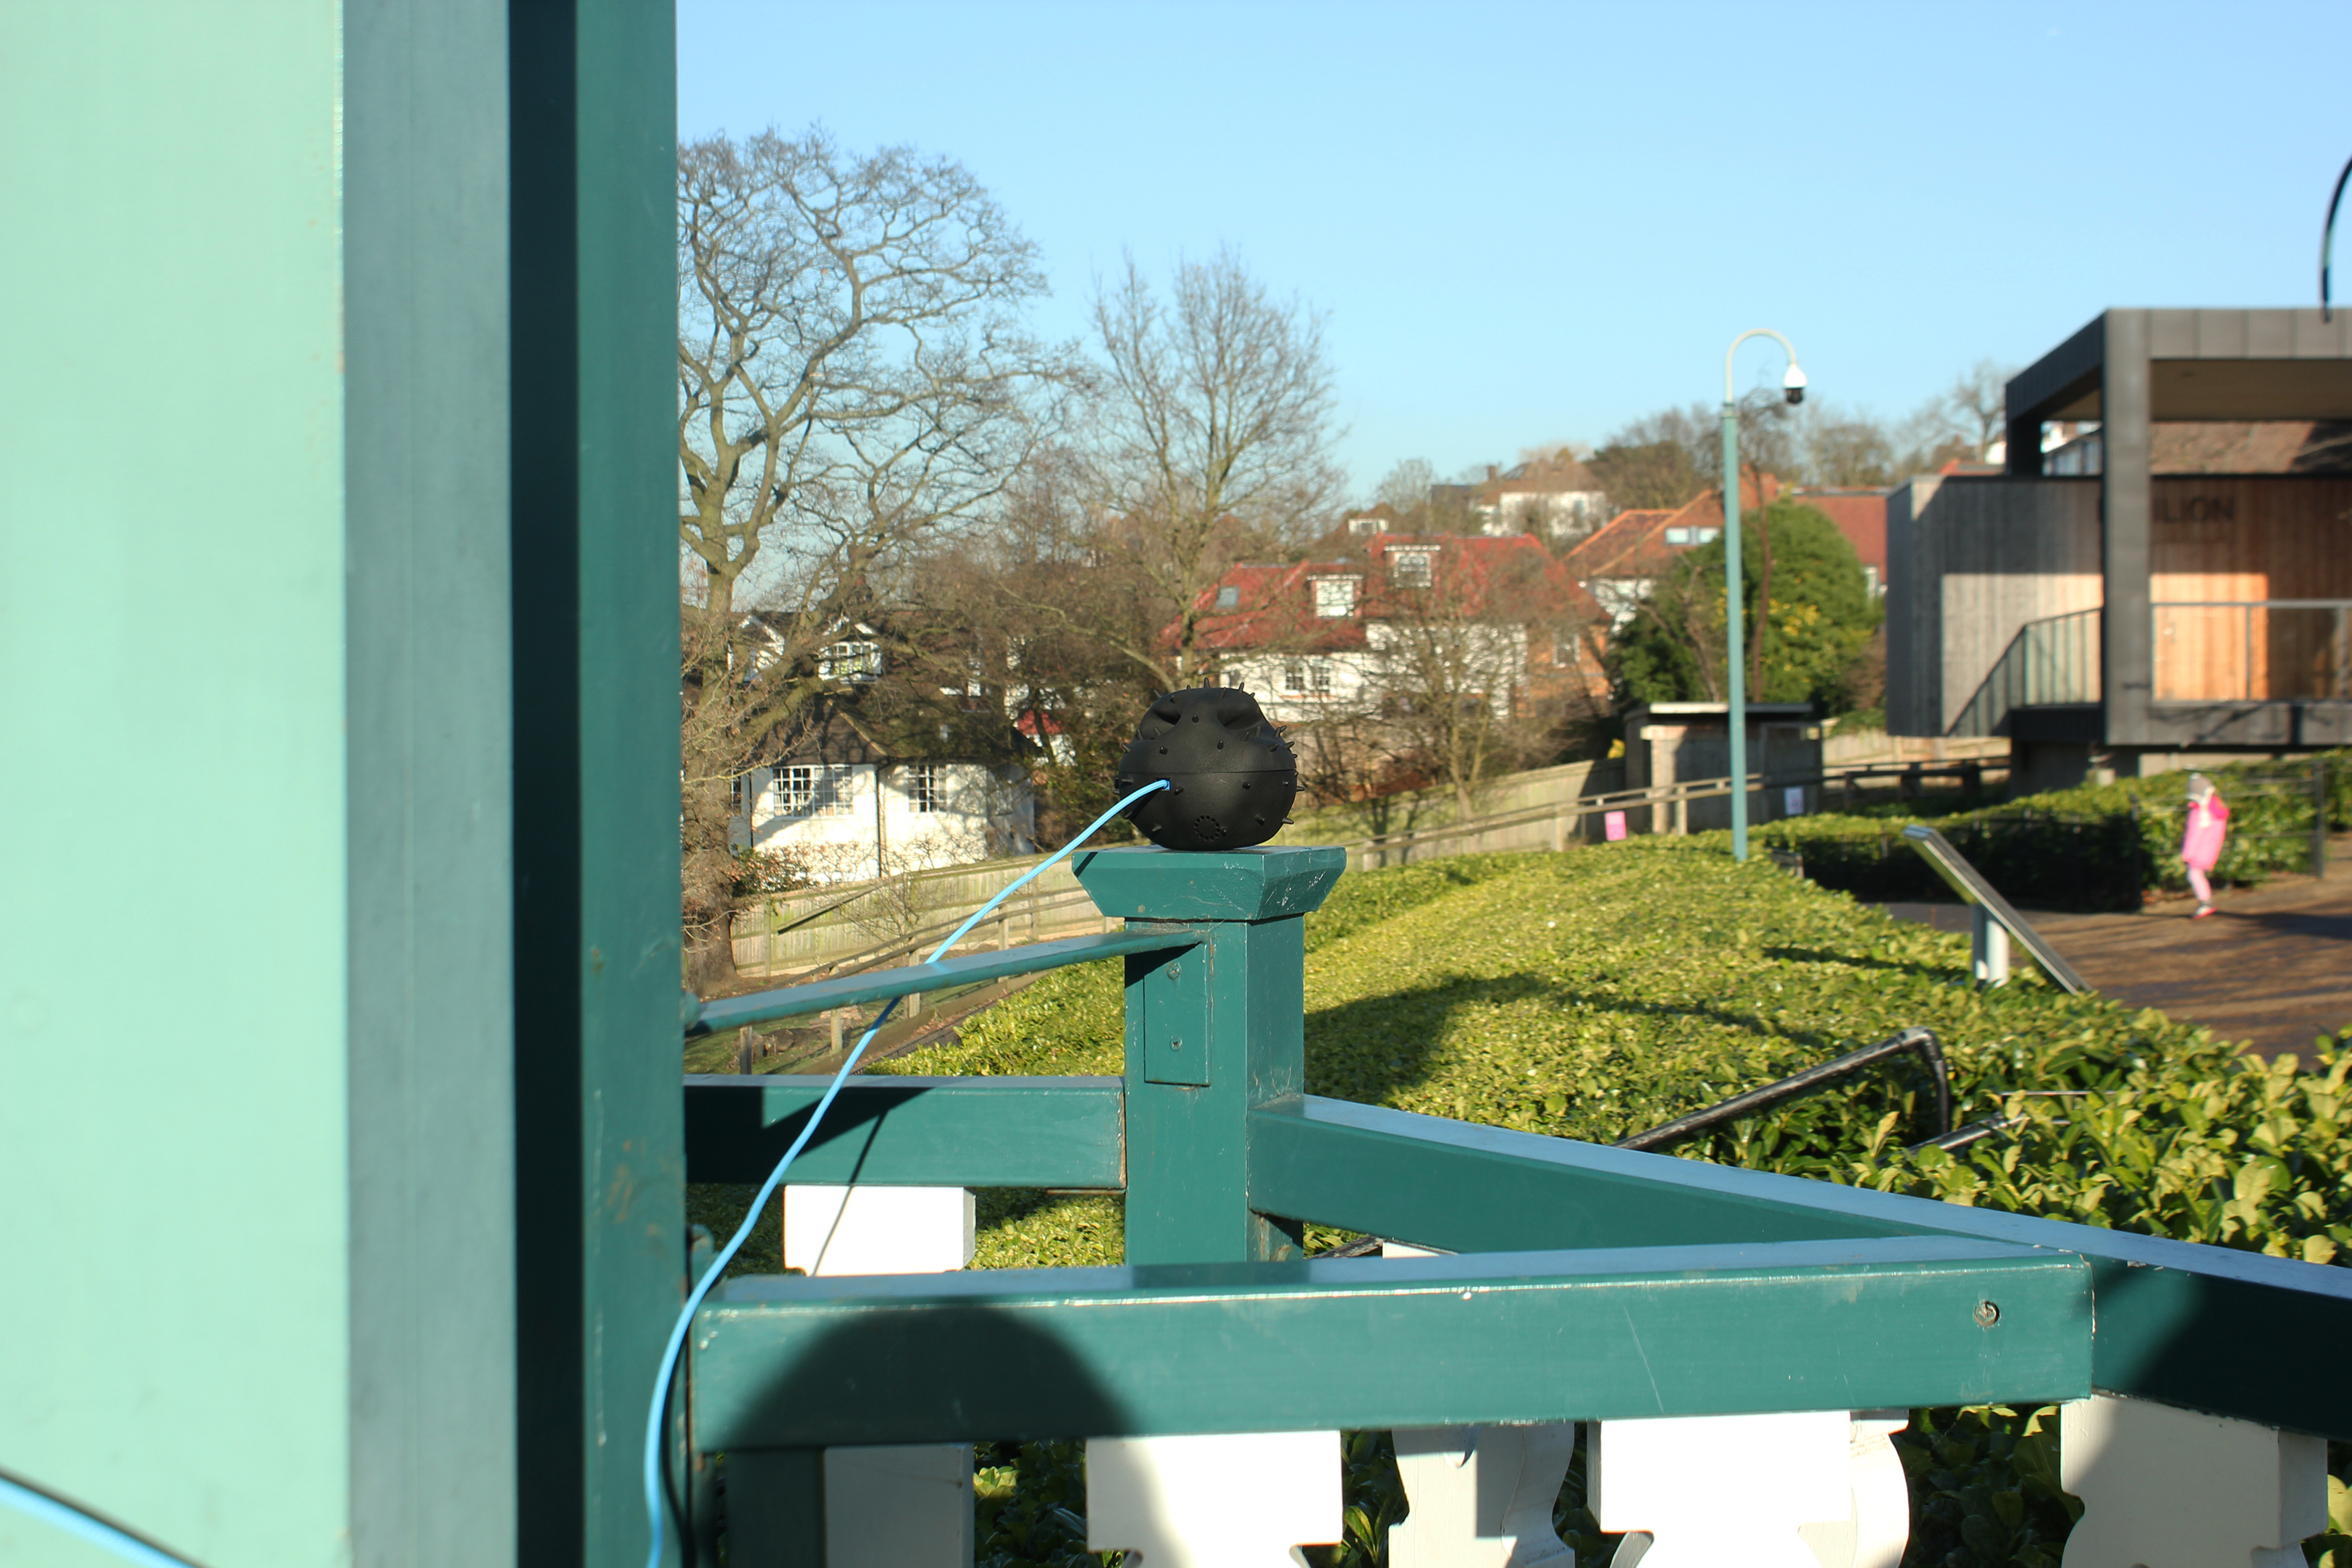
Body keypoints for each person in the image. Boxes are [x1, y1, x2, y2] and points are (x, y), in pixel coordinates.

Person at [2180, 772, 2229, 919]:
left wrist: (2187, 853)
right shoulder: (2217, 808)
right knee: (2198, 875)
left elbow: (2194, 834)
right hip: (2210, 850)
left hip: (2198, 851)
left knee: (2193, 874)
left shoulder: (2199, 812)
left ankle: (2205, 903)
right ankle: (2206, 902)